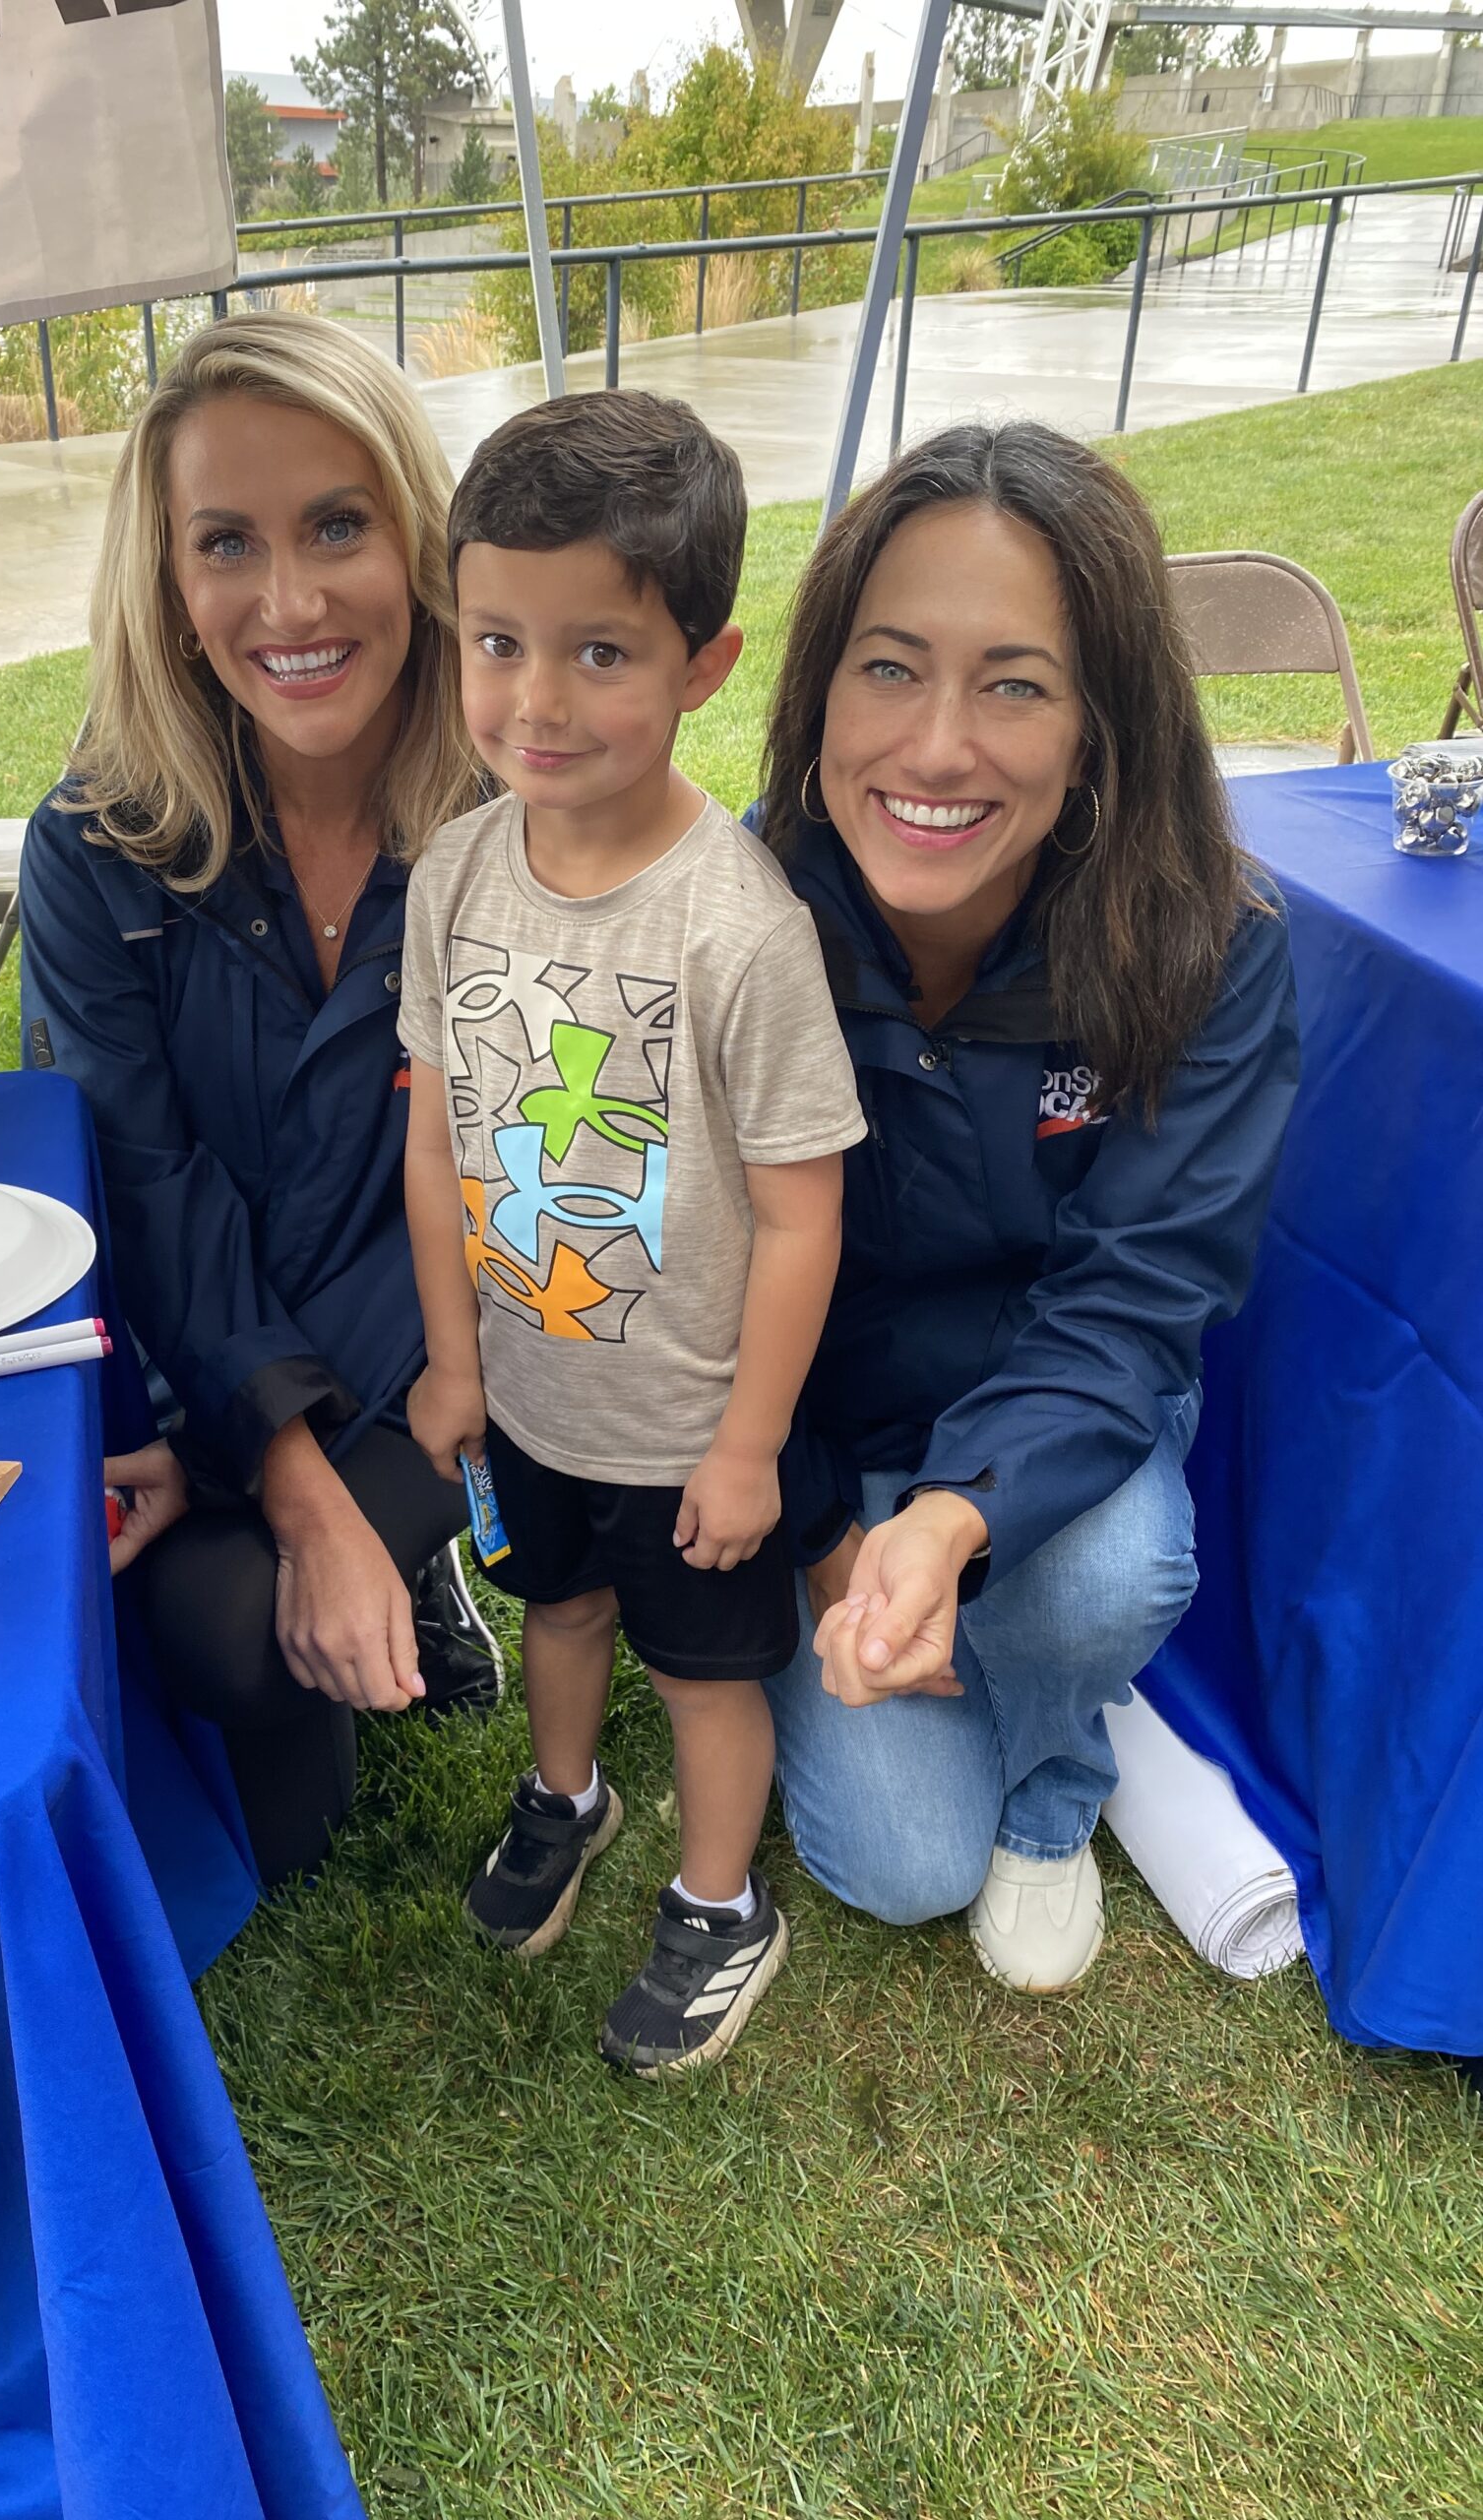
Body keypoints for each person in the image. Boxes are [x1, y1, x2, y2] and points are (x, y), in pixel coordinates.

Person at [751, 419, 1300, 1993]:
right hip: (827, 1443)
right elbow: (703, 1287)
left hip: (1050, 1411)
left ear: (1098, 732)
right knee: (902, 1866)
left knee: (1111, 1574)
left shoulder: (1205, 948)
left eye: (1015, 686)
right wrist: (821, 1537)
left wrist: (955, 1519)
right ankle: (1007, 1652)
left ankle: (1062, 1773)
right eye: (889, 668)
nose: (937, 749)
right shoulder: (735, 919)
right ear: (819, 690)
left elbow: (1136, 1299)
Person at [401, 392, 866, 2075]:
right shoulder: (454, 875)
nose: (536, 700)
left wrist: (748, 1448)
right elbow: (433, 1132)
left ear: (704, 665)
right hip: (530, 1396)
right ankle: (566, 1796)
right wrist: (454, 1362)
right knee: (560, 1612)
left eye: (599, 652)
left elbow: (804, 1213)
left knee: (703, 1673)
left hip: (689, 1434)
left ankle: (720, 1902)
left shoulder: (740, 929)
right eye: (498, 643)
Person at [19, 311, 493, 1886]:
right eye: (228, 542)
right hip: (219, 1350)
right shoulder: (96, 848)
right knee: (231, 1643)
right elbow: (147, 1187)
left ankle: (431, 1548)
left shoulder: (517, 818)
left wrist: (354, 1467)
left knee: (254, 1630)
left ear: (417, 541)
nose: (288, 603)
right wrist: (276, 1470)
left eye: (338, 526)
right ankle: (372, 1560)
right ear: (168, 576)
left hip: (454, 1349)